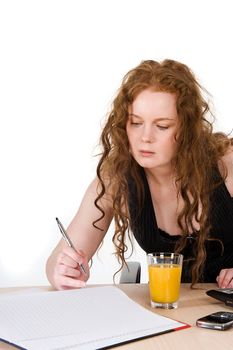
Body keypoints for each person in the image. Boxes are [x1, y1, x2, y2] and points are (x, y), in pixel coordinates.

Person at [46, 59, 233, 290]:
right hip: (173, 309)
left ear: (187, 129)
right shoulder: (116, 179)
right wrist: (62, 270)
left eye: (162, 126)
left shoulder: (226, 165)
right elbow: (61, 257)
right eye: (135, 123)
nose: (145, 137)